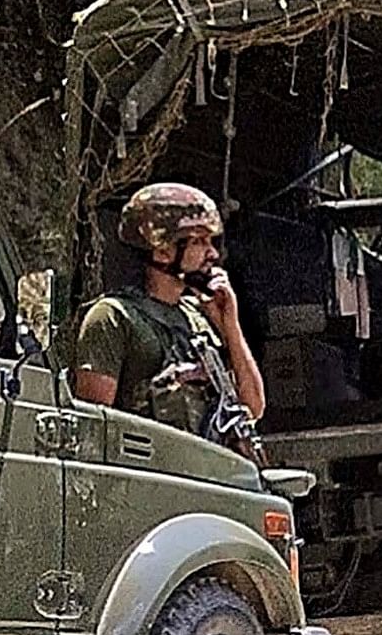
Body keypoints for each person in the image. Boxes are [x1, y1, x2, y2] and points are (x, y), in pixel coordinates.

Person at [70, 182, 268, 457]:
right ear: (162, 251)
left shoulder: (199, 317)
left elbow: (252, 408)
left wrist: (229, 326)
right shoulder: (113, 317)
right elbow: (93, 429)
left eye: (211, 241)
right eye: (198, 241)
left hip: (209, 474)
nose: (212, 254)